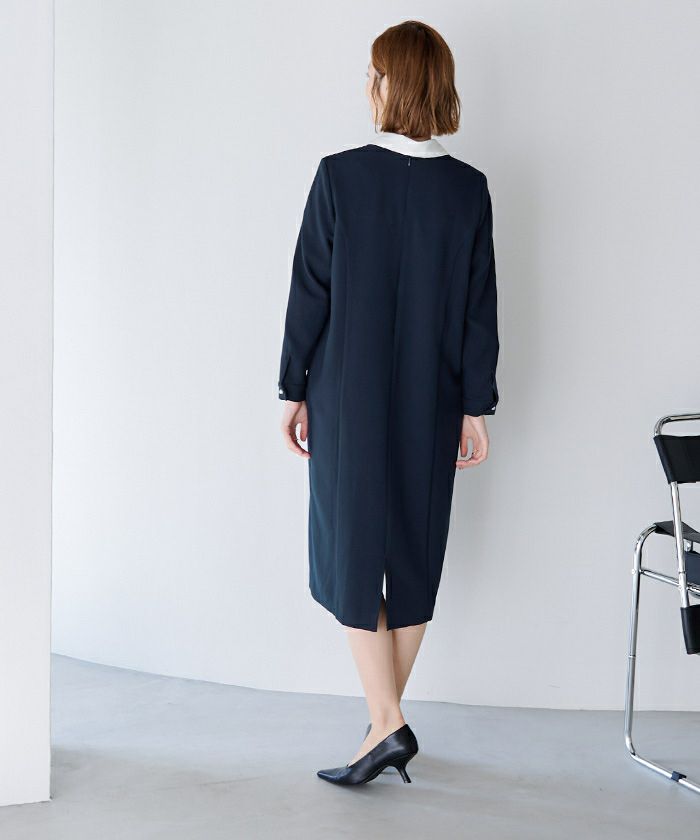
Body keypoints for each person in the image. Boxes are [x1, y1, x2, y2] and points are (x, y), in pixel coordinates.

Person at [277, 20, 499, 786]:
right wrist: (475, 406)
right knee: (412, 553)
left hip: (346, 397)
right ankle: (383, 725)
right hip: (431, 399)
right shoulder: (467, 190)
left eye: (370, 73)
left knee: (347, 555)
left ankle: (387, 724)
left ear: (387, 84)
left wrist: (292, 388)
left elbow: (310, 294)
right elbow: (479, 311)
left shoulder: (339, 177)